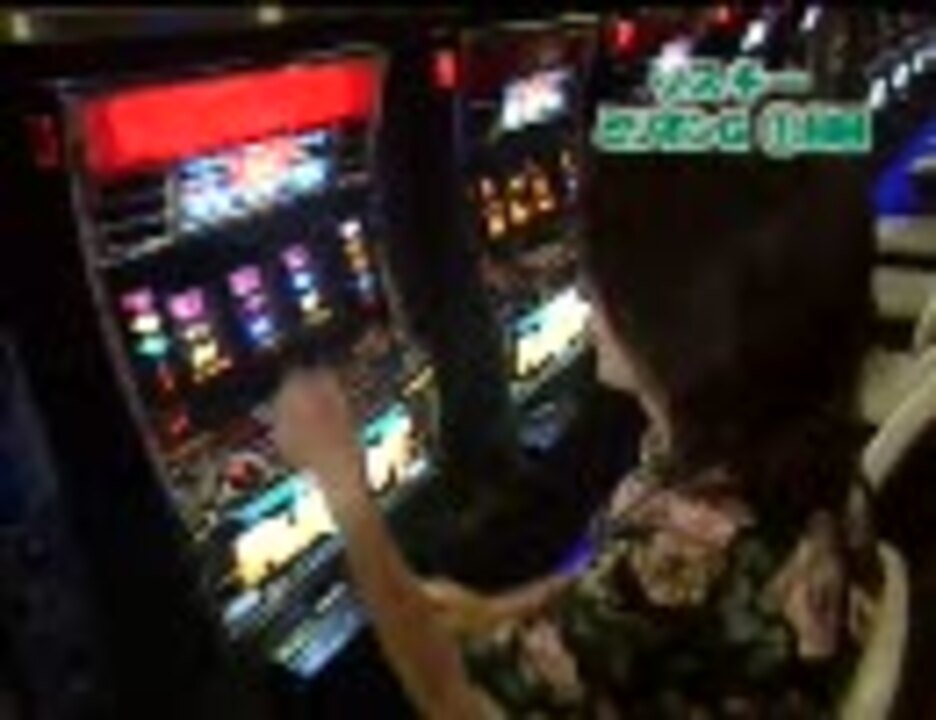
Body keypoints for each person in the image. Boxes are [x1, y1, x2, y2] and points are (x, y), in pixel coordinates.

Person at [272, 146, 881, 718]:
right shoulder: (784, 441)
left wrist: (343, 487)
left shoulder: (685, 546)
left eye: (604, 280)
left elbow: (452, 701)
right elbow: (623, 587)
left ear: (675, 319)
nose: (586, 295)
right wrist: (494, 612)